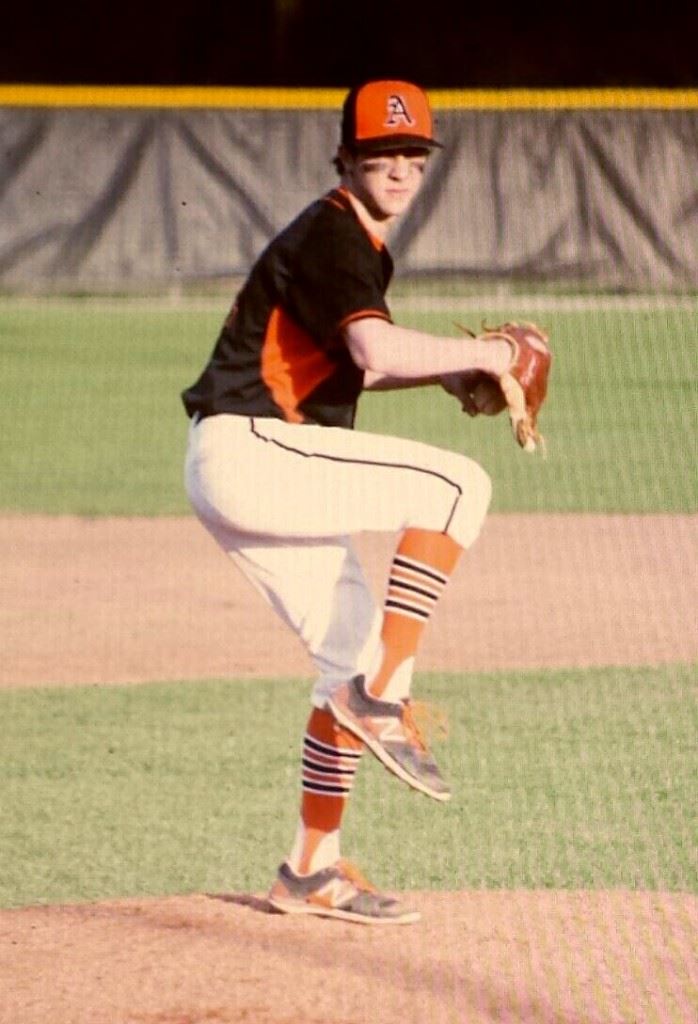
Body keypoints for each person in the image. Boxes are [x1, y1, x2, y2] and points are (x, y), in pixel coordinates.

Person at [182, 79, 515, 925]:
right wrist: (493, 353)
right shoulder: (334, 230)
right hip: (251, 449)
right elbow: (371, 345)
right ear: (348, 156)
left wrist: (451, 371)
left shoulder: (352, 236)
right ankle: (386, 699)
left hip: (251, 462)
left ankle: (310, 870)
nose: (398, 167)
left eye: (412, 154)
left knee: (348, 654)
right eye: (381, 152)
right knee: (457, 485)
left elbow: (350, 364)